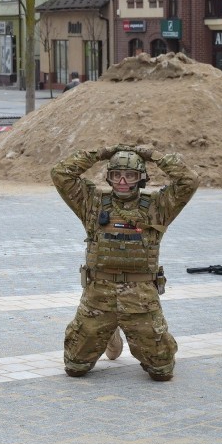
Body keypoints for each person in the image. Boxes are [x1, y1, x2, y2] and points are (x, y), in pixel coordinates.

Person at [51, 144, 199, 381]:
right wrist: (100, 153)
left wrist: (154, 156)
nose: (122, 180)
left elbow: (189, 181)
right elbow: (61, 173)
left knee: (162, 372)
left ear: (141, 178)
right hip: (98, 295)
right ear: (108, 177)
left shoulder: (158, 206)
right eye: (115, 174)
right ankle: (108, 331)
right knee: (74, 368)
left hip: (141, 298)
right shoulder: (92, 202)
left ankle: (115, 328)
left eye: (129, 175)